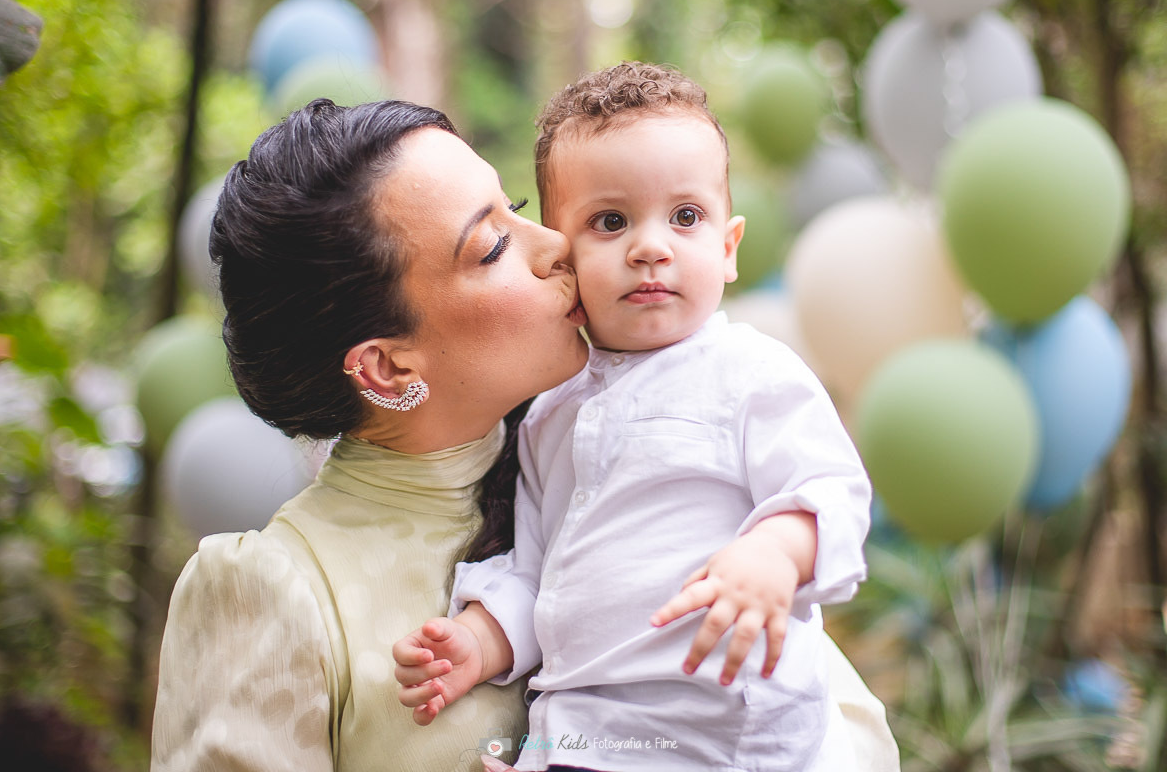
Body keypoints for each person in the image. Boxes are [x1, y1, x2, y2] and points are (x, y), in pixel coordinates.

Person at [392, 63, 894, 772]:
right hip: (586, 729)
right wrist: (478, 641)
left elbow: (830, 490)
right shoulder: (549, 415)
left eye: (685, 217)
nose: (651, 245)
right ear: (561, 257)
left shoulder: (751, 372)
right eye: (611, 221)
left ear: (728, 248)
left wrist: (775, 552)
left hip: (726, 729)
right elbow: (538, 574)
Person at [150, 99, 590, 772]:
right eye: (493, 247)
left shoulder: (602, 462)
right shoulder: (272, 591)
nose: (556, 244)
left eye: (518, 206)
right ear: (386, 369)